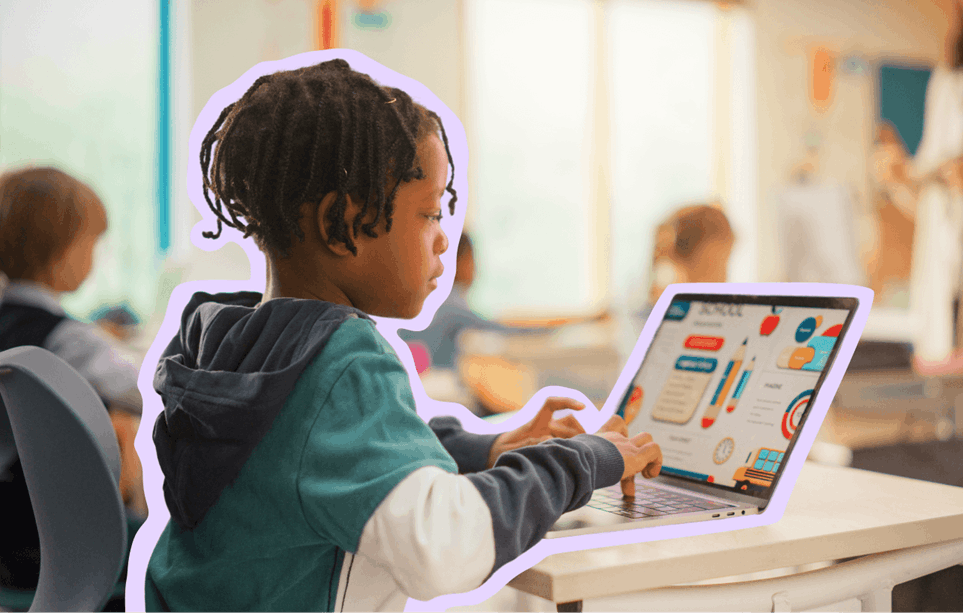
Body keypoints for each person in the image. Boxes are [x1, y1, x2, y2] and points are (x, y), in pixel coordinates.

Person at [144, 58, 662, 612]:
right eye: (430, 214)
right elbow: (446, 548)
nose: (444, 240)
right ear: (339, 223)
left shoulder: (235, 341)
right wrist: (587, 459)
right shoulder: (339, 361)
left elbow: (320, 451)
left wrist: (486, 448)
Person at [0, 166, 143, 599]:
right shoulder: (68, 338)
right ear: (63, 253)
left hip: (7, 539)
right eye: (91, 245)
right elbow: (145, 392)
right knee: (168, 537)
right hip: (52, 543)